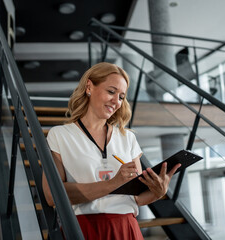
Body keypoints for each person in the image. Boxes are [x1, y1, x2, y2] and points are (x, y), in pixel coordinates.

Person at [42, 62, 181, 240]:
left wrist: (158, 192)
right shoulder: (60, 135)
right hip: (85, 229)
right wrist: (113, 183)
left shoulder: (127, 138)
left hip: (127, 228)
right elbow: (52, 196)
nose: (117, 101)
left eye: (122, 96)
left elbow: (137, 198)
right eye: (111, 91)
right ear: (89, 87)